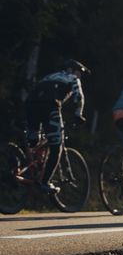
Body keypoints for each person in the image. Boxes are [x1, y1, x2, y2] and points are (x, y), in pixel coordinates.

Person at [25, 59, 90, 195]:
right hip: (49, 107)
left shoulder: (49, 76)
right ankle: (45, 182)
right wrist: (78, 115)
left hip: (30, 104)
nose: (80, 76)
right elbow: (79, 97)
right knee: (56, 147)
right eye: (80, 73)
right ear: (72, 70)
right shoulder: (72, 78)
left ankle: (24, 166)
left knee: (33, 141)